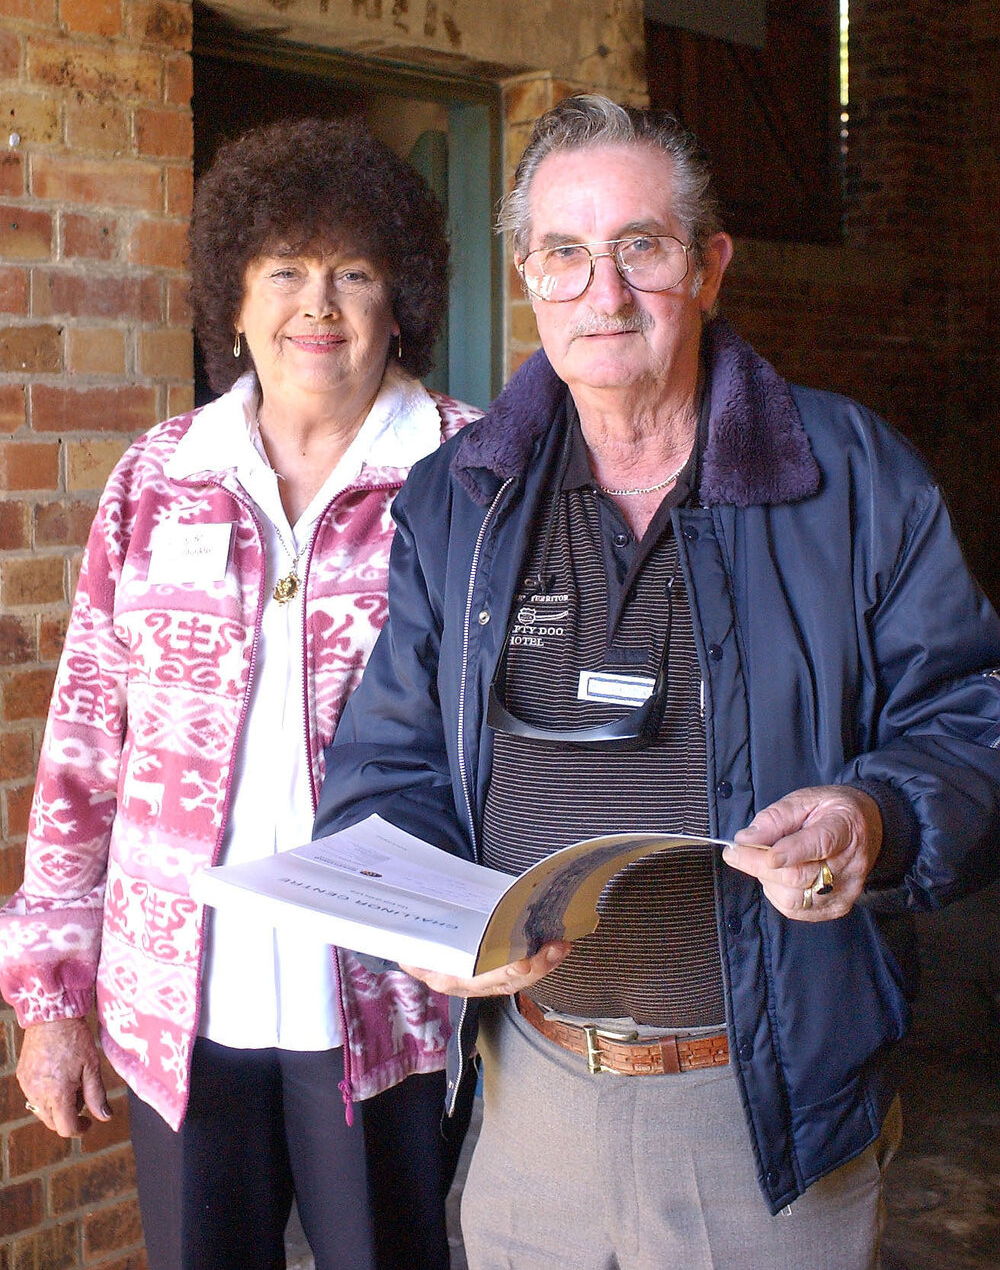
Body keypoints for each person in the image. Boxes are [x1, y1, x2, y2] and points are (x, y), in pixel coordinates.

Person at [313, 95, 1000, 1270]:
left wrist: (872, 816)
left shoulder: (851, 477)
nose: (606, 292)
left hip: (765, 1115)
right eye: (567, 255)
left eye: (643, 247)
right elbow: (386, 769)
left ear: (711, 267)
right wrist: (422, 918)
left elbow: (970, 720)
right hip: (531, 1099)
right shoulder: (456, 503)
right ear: (527, 275)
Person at [0, 117, 480, 1270]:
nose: (317, 306)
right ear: (236, 299)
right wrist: (52, 1000)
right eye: (285, 272)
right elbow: (81, 754)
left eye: (353, 274)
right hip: (182, 1011)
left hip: (384, 1008)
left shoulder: (469, 474)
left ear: (397, 300)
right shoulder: (160, 478)